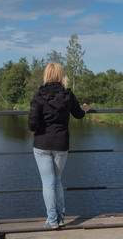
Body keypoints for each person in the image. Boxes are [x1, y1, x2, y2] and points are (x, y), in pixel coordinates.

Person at [28, 62, 90, 229]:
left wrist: (36, 134)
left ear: (46, 75)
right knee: (57, 180)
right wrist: (85, 108)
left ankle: (52, 220)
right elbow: (78, 114)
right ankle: (61, 218)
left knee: (47, 182)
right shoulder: (68, 95)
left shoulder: (39, 95)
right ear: (62, 75)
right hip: (61, 143)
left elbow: (32, 123)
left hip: (42, 144)